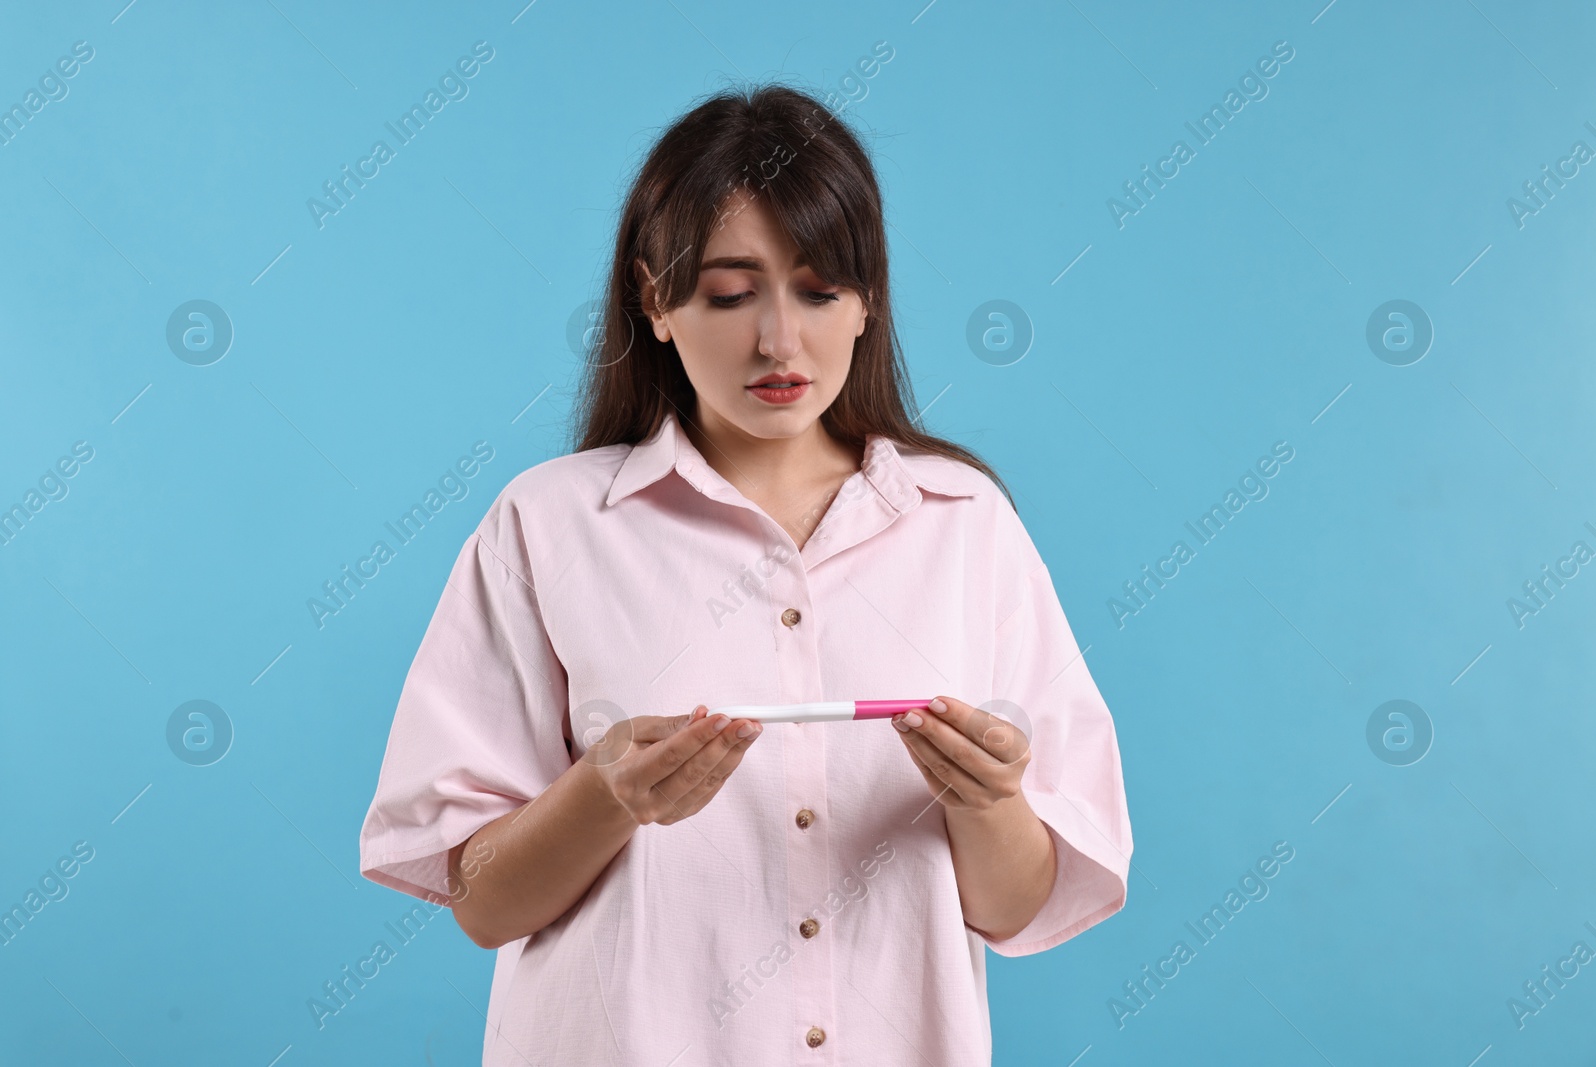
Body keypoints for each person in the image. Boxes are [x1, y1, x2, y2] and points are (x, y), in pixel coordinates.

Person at [358, 82, 1131, 1066]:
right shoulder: (545, 524)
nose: (779, 338)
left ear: (867, 302)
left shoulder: (966, 525)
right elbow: (481, 901)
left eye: (819, 290)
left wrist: (988, 802)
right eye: (730, 292)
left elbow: (1016, 907)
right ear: (655, 301)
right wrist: (607, 795)